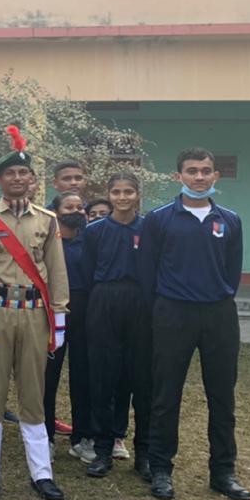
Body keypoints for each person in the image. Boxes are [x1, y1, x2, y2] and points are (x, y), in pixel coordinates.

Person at [0, 126, 68, 500]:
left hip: (35, 313)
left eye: (24, 172)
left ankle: (41, 473)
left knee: (33, 392)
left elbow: (56, 270)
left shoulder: (47, 220)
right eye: (11, 173)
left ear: (33, 179)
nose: (18, 178)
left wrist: (59, 317)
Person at [139, 149, 250, 500]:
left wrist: (217, 297)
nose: (199, 177)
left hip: (219, 315)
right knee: (165, 394)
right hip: (173, 314)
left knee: (222, 395)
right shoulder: (158, 219)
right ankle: (160, 468)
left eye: (205, 171)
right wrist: (163, 309)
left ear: (215, 175)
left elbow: (232, 271)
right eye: (192, 171)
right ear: (179, 176)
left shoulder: (230, 220)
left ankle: (223, 471)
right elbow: (147, 272)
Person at [78, 173, 148, 479]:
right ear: (109, 195)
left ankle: (143, 452)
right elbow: (87, 269)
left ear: (137, 194)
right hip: (104, 299)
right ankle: (103, 449)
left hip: (140, 301)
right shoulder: (95, 231)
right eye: (116, 192)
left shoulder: (149, 228)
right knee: (102, 377)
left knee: (140, 379)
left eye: (128, 192)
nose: (122, 197)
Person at [45, 191, 94, 464]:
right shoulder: (47, 240)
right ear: (56, 211)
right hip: (53, 312)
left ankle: (82, 438)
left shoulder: (91, 239)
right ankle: (46, 437)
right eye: (69, 207)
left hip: (85, 311)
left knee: (83, 376)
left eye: (80, 207)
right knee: (48, 377)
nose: (75, 211)